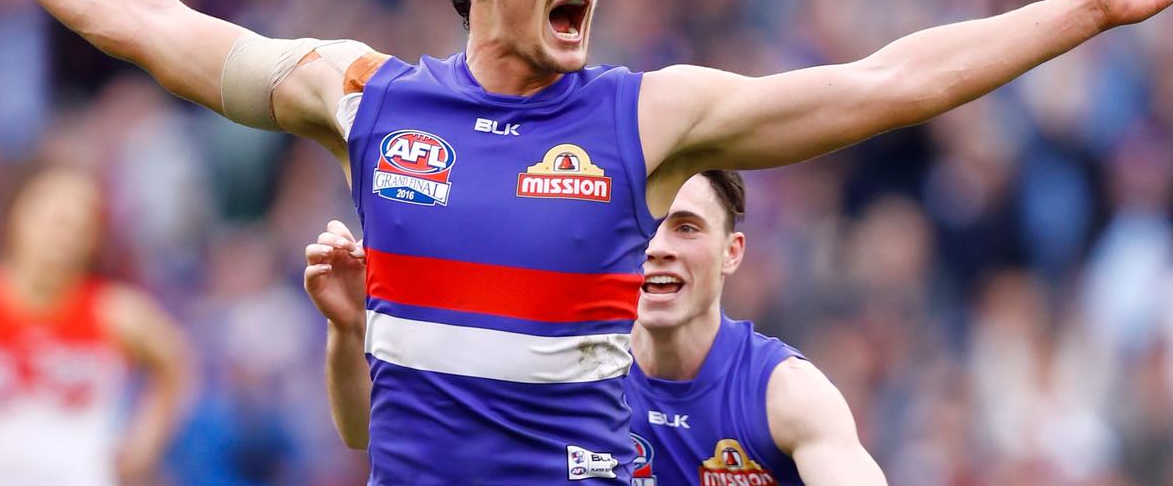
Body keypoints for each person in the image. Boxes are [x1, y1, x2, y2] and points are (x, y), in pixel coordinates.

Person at [0, 0, 1171, 483]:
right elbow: (154, 23)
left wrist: (1081, 7)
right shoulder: (362, 98)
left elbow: (883, 83)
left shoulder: (646, 119)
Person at [304, 171, 887, 486]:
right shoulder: (556, 361)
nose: (658, 249)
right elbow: (365, 435)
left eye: (686, 228)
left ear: (732, 252)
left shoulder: (782, 393)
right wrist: (352, 327)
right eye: (648, 228)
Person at [0, 164, 193, 486]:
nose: (64, 237)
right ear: (18, 217)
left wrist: (141, 445)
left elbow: (176, 363)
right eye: (56, 221)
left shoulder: (116, 313)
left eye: (80, 227)